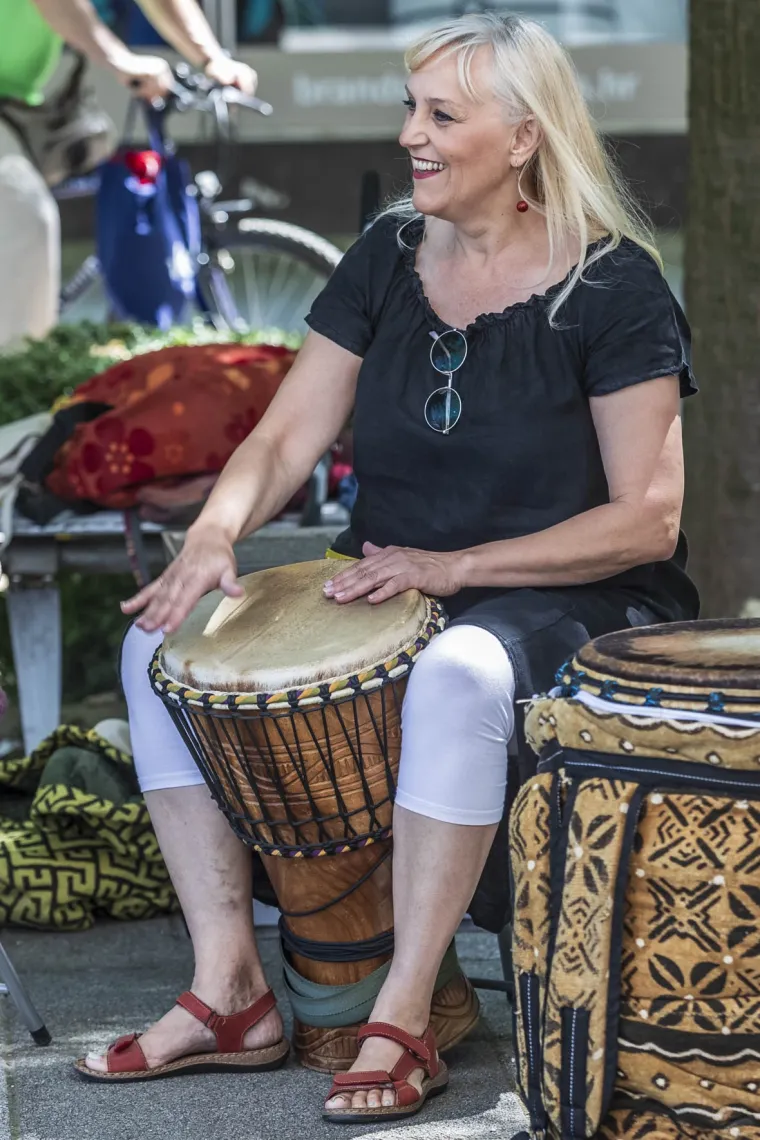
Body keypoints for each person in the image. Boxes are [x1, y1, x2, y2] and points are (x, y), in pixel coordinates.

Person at [76, 10, 699, 1122]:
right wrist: (214, 534)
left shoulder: (614, 287)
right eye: (410, 108)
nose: (412, 134)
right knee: (154, 639)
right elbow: (279, 438)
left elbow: (643, 521)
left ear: (521, 139)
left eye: (440, 115)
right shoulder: (385, 254)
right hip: (396, 580)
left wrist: (456, 567)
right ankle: (229, 992)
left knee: (458, 671)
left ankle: (401, 1015)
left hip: (565, 597)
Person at [0, 0, 257, 349]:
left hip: (13, 102)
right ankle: (15, 382)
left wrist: (212, 58)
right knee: (23, 214)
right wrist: (119, 58)